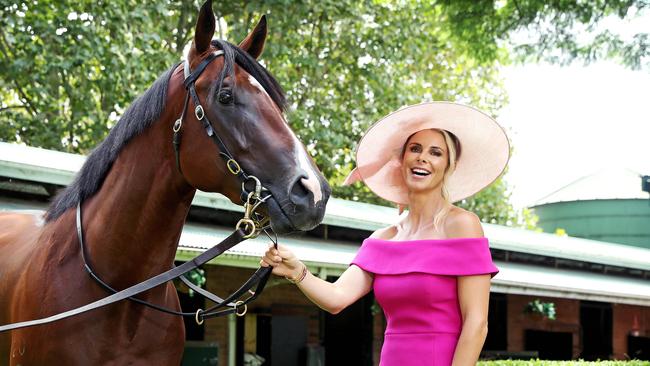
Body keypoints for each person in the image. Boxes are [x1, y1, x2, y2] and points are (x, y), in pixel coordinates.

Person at [260, 101, 509, 366]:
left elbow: (477, 323)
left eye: (436, 152)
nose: (422, 157)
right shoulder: (382, 239)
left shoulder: (462, 225)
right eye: (415, 149)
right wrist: (297, 271)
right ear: (402, 160)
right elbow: (336, 299)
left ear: (450, 165)